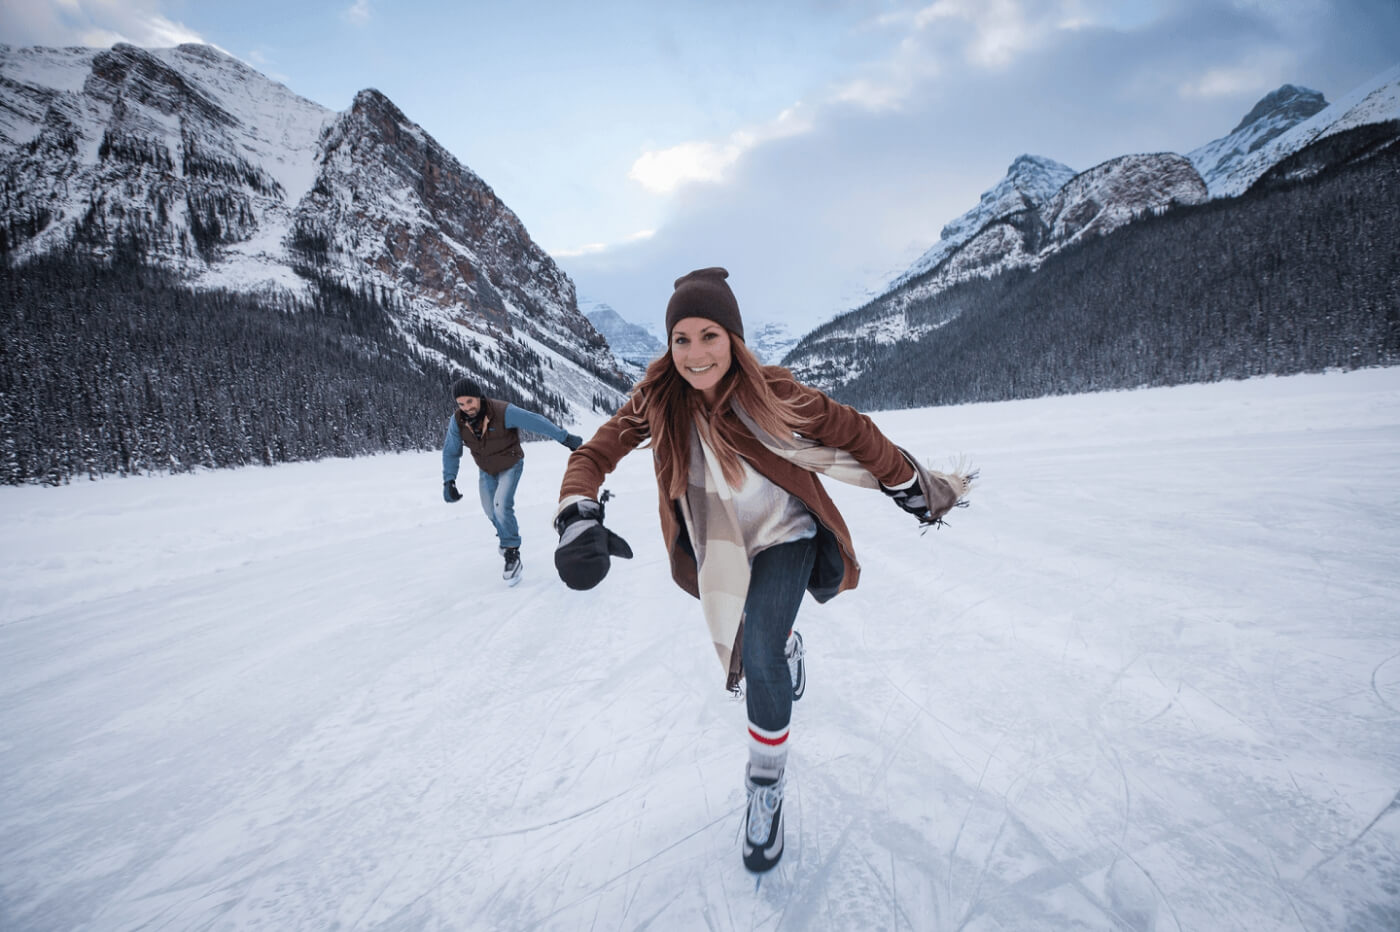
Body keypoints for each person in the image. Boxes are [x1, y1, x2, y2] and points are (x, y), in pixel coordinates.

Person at [551, 267, 974, 873]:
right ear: (669, 346)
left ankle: (766, 785)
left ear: (734, 339)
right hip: (720, 547)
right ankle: (785, 643)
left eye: (709, 336)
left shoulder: (771, 392)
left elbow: (851, 429)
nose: (695, 354)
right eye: (682, 339)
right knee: (763, 638)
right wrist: (577, 514)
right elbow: (595, 454)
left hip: (787, 535)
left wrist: (904, 480)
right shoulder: (655, 401)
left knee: (761, 653)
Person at [442, 377, 583, 585]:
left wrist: (564, 437)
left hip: (510, 464)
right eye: (461, 404)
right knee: (490, 509)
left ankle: (511, 551)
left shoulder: (502, 411)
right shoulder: (458, 421)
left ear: (479, 397)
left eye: (469, 402)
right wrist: (449, 481)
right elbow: (451, 451)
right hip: (486, 469)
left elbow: (535, 421)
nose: (466, 408)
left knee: (501, 506)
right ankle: (505, 537)